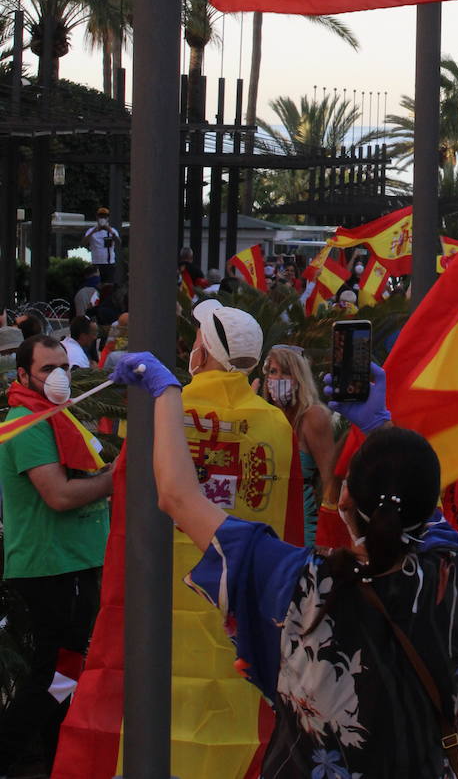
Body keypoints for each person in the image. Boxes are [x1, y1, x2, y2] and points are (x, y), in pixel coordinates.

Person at [110, 354, 458, 779]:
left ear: (345, 501)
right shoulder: (455, 574)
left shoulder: (303, 581)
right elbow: (415, 500)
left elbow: (176, 496)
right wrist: (378, 424)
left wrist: (167, 392)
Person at [53, 299, 305, 779]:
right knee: (230, 717)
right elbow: (285, 521)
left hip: (156, 604)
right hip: (235, 610)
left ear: (204, 353)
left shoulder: (165, 410)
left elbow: (127, 495)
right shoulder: (276, 425)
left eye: (195, 343)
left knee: (147, 708)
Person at [0, 334, 113, 777]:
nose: (59, 376)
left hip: (70, 564)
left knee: (61, 678)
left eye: (64, 366)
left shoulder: (54, 417)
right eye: (48, 369)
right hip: (51, 568)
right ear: (23, 375)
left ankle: (55, 764)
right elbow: (60, 495)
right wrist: (119, 477)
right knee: (56, 677)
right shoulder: (27, 423)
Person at [261, 343, 337, 545]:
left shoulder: (312, 416)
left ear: (299, 378)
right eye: (273, 372)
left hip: (301, 527)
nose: (277, 379)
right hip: (263, 524)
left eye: (286, 373)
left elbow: (330, 478)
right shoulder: (262, 416)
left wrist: (328, 535)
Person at [81, 208, 120, 282]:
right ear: (97, 217)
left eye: (105, 217)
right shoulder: (91, 231)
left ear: (108, 218)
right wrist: (93, 231)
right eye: (101, 217)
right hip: (96, 263)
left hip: (109, 263)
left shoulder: (112, 231)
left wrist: (110, 231)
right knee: (97, 284)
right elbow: (83, 243)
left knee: (108, 286)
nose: (102, 219)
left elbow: (118, 243)